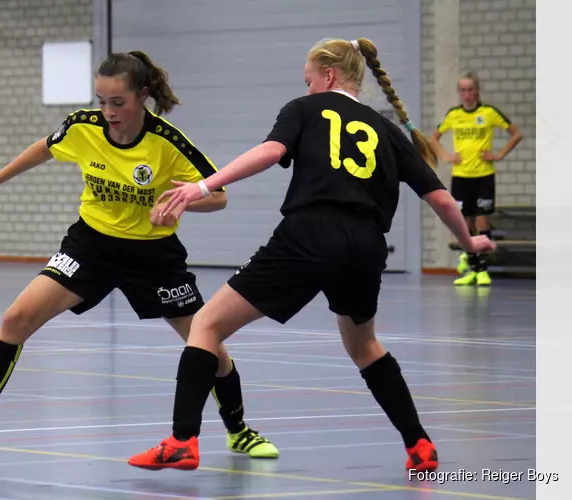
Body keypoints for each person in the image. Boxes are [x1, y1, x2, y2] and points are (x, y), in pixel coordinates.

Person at [127, 38, 495, 474]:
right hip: (367, 245)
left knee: (205, 324)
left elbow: (270, 152)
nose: (305, 90)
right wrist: (471, 245)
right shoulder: (387, 130)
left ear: (329, 75)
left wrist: (202, 186)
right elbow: (442, 199)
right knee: (364, 346)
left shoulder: (304, 110)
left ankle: (182, 441)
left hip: (311, 232)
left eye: (308, 81)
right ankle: (419, 445)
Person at [0, 50, 279, 460]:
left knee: (209, 343)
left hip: (153, 255)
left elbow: (218, 195)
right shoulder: (83, 127)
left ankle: (239, 430)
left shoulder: (167, 143)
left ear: (142, 96)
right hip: (91, 245)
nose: (108, 111)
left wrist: (182, 203)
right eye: (101, 101)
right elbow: (44, 147)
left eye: (118, 102)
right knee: (16, 318)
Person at [430, 71, 522, 286]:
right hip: (461, 177)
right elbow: (434, 139)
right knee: (465, 222)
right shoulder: (454, 115)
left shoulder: (488, 112)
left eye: (470, 89)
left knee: (482, 220)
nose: (467, 94)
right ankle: (471, 268)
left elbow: (516, 134)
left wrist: (498, 154)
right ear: (459, 93)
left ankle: (482, 270)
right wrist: (447, 156)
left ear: (477, 91)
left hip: (483, 175)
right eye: (463, 90)